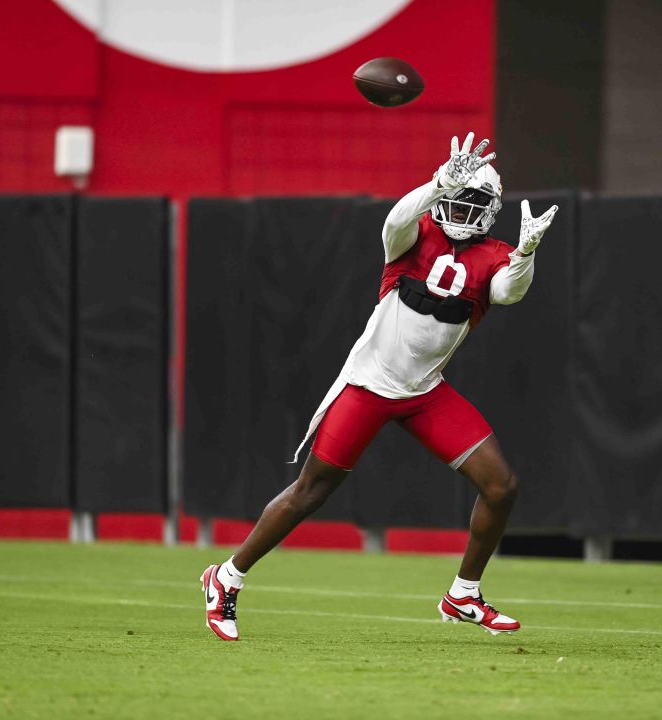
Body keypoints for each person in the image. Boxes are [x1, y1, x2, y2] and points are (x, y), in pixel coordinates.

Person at [200, 132, 558, 641]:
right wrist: (436, 184)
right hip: (370, 384)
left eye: (473, 200)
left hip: (424, 391)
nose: (462, 208)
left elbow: (507, 293)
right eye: (456, 197)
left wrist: (525, 252)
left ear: (490, 209)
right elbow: (393, 223)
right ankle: (226, 578)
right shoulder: (415, 234)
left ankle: (464, 594)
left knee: (502, 486)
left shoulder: (495, 254)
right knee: (311, 491)